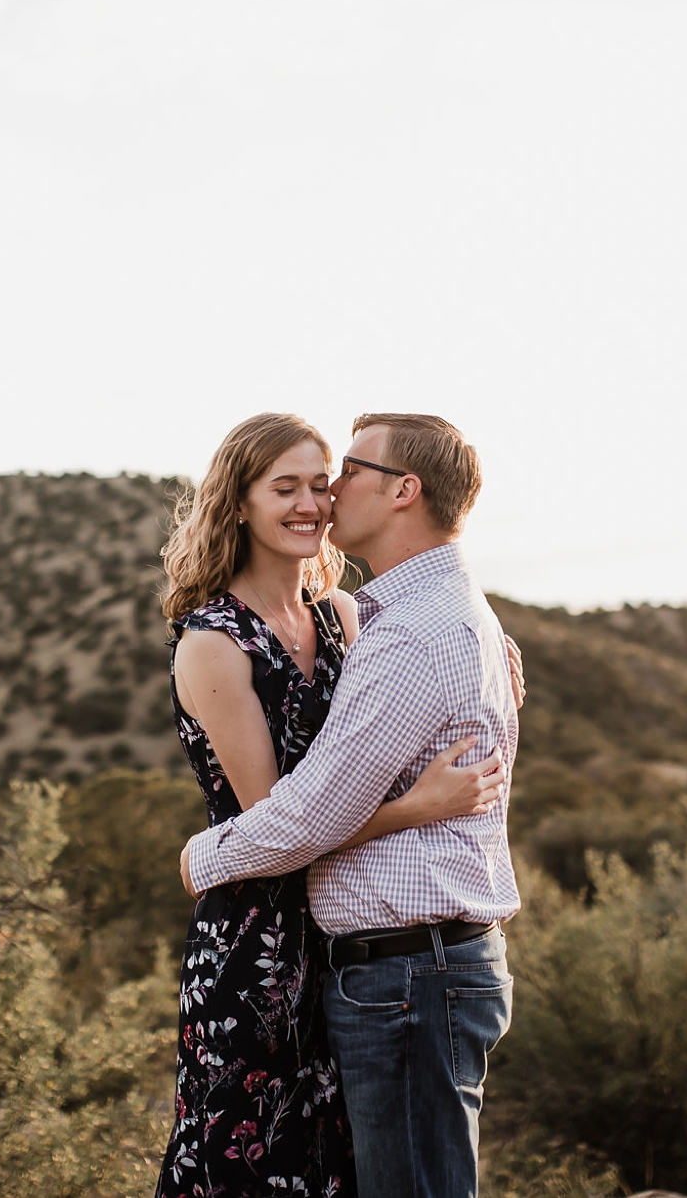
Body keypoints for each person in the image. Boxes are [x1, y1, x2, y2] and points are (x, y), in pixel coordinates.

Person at [153, 413, 517, 1198]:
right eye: (285, 487)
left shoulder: (348, 616)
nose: (314, 502)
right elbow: (281, 817)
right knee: (253, 1165)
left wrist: (493, 647)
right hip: (261, 937)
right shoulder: (214, 643)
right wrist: (417, 806)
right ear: (237, 503)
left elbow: (430, 660)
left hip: (348, 946)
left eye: (323, 482)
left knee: (347, 1172)